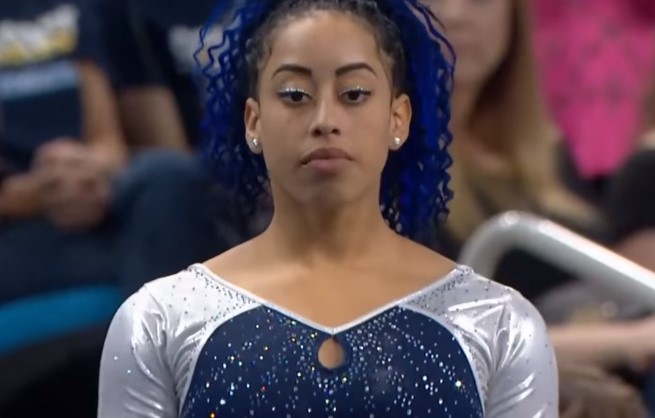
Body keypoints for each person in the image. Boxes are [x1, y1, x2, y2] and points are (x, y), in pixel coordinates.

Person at [98, 0, 557, 416]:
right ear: (253, 122)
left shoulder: (497, 324)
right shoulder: (160, 322)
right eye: (295, 95)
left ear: (398, 119)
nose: (325, 121)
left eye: (354, 94)